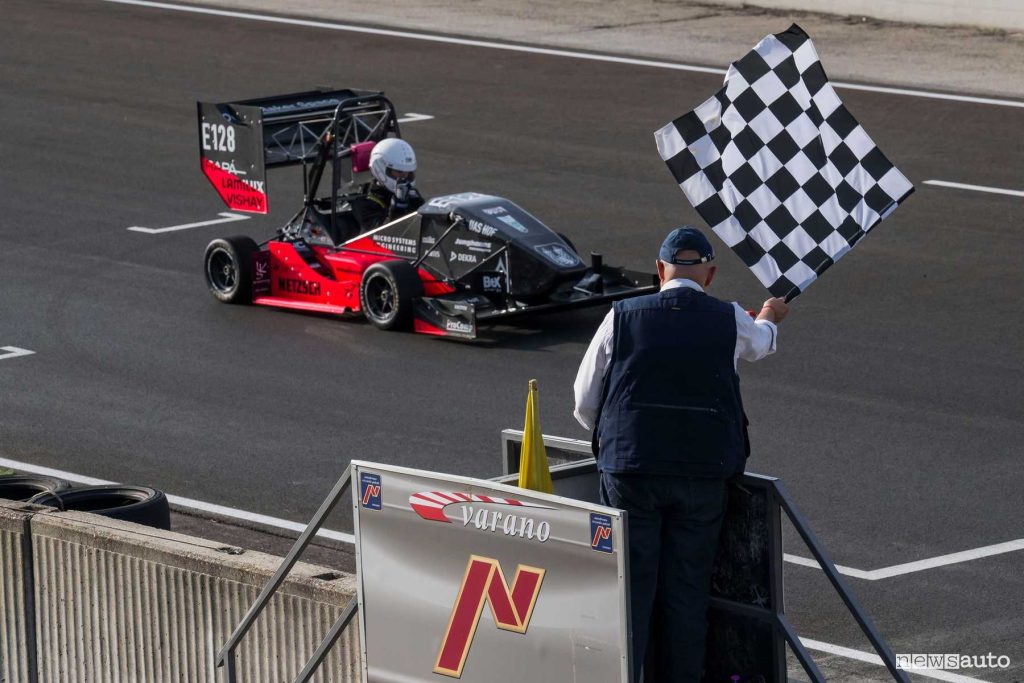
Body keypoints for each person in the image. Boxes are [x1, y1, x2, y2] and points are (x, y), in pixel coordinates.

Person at [573, 226, 788, 683]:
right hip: (702, 476)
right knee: (686, 595)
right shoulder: (728, 317)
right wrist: (770, 314)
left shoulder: (621, 315)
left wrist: (619, 436)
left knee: (629, 592)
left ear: (658, 270)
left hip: (631, 470)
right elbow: (762, 343)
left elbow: (584, 397)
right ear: (709, 274)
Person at [348, 137, 425, 231]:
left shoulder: (408, 195)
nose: (405, 178)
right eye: (400, 172)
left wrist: (420, 205)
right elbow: (383, 235)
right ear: (380, 168)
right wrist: (398, 208)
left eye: (408, 172)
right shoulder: (363, 205)